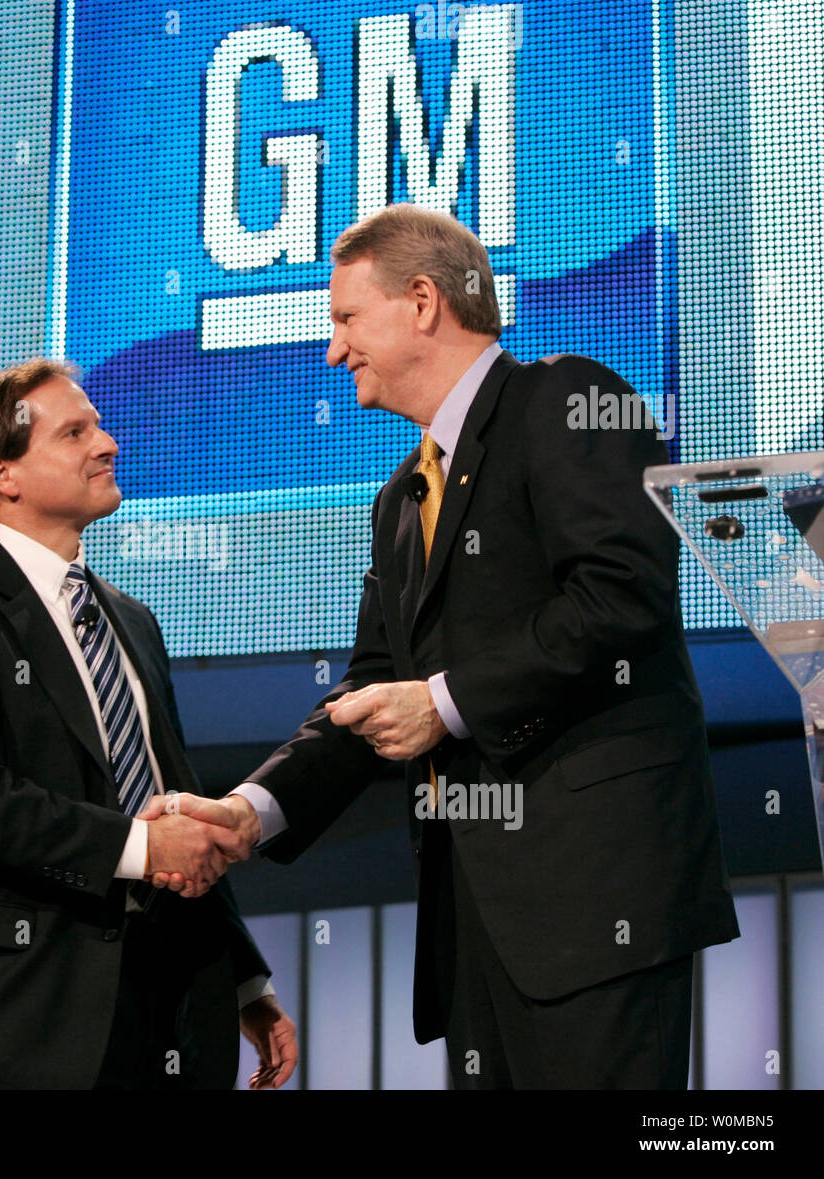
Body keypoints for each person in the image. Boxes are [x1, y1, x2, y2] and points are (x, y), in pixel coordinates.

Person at [148, 204, 739, 1089]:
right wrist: (252, 809)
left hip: (596, 906)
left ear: (423, 300)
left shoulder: (567, 400)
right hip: (472, 933)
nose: (332, 349)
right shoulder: (400, 501)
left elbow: (623, 597)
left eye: (346, 318)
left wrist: (446, 701)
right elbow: (372, 693)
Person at [0, 359, 296, 1089]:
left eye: (98, 425)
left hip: (159, 1017)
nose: (108, 444)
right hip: (12, 1022)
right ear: (3, 473)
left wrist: (243, 979)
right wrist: (140, 844)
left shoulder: (131, 619)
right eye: (76, 432)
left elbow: (172, 792)